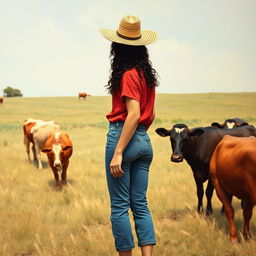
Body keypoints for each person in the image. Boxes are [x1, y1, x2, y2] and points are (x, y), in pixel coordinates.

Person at [100, 15, 159, 256]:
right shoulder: (147, 75)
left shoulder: (127, 74)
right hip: (144, 141)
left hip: (124, 137)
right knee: (141, 206)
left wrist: (118, 151)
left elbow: (133, 115)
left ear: (117, 47)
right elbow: (149, 113)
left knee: (119, 207)